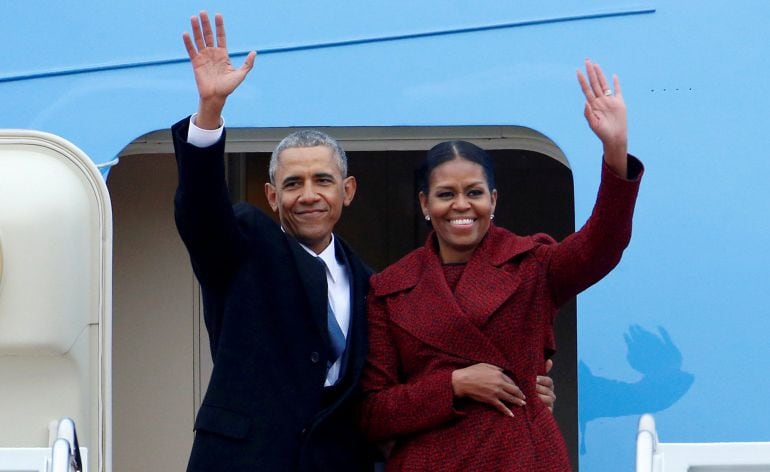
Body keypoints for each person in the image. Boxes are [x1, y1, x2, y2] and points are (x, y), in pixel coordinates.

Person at [172, 11, 556, 471]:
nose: (309, 195)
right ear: (272, 197)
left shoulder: (376, 285)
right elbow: (201, 215)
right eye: (293, 184)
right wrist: (210, 112)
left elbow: (405, 386)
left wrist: (525, 391)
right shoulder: (243, 246)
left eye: (323, 181)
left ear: (346, 191)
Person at [358, 60, 643, 471]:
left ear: (493, 200)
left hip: (520, 456)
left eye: (474, 192)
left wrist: (614, 150)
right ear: (424, 204)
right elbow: (373, 414)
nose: (461, 205)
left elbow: (602, 245)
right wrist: (455, 385)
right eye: (445, 194)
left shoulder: (533, 265)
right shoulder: (389, 289)